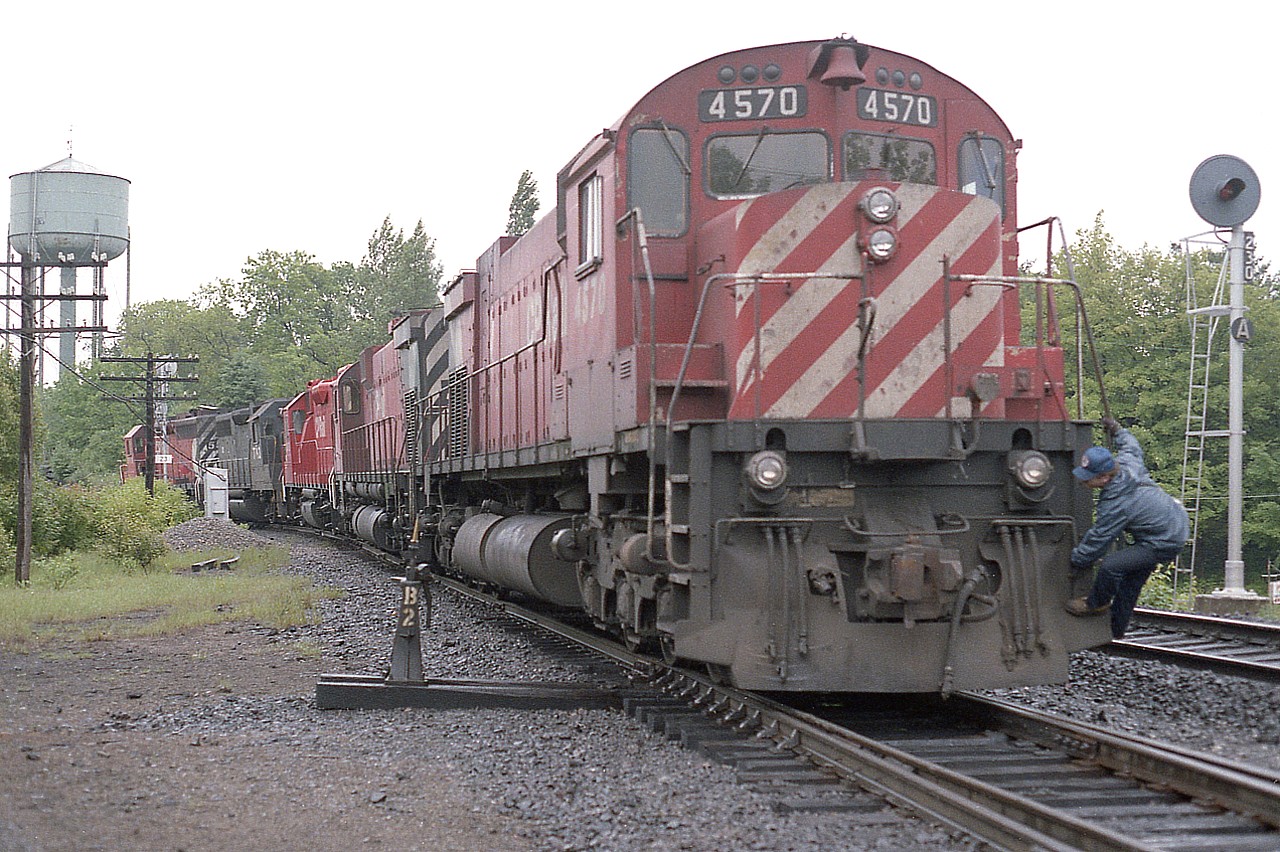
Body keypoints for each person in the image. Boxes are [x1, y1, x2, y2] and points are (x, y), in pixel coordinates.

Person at [1065, 417, 1190, 639]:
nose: (1083, 482)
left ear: (1104, 478)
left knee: (1111, 566)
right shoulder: (1127, 462)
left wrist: (1077, 560)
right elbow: (1130, 444)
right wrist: (1116, 430)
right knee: (1131, 582)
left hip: (1164, 540)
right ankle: (1116, 631)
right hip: (1173, 523)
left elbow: (1099, 539)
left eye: (1088, 479)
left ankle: (1096, 603)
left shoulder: (1116, 503)